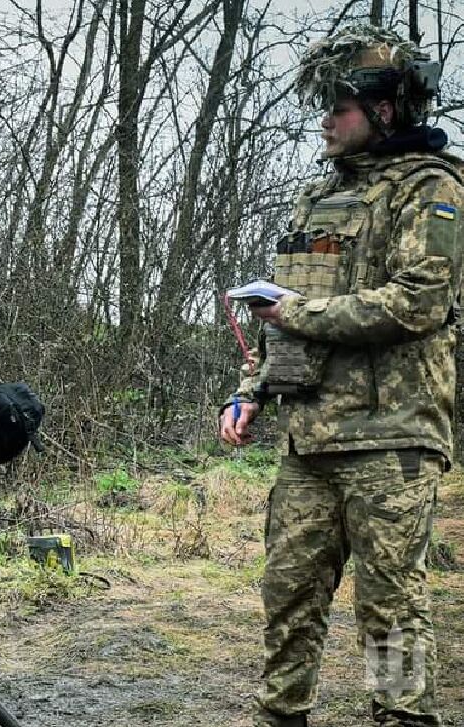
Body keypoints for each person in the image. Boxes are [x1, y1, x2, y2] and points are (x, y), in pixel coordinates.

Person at [218, 24, 462, 727]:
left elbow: (418, 303)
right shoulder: (317, 198)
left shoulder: (431, 189)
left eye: (339, 108)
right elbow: (283, 313)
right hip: (309, 440)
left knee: (391, 606)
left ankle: (403, 716)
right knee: (287, 594)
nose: (325, 121)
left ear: (383, 110)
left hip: (391, 439)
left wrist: (297, 312)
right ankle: (281, 714)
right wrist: (251, 392)